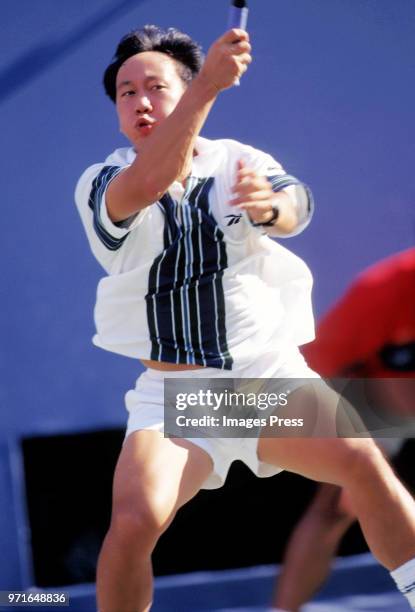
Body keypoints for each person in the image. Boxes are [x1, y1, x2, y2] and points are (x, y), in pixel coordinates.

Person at [74, 25, 415, 612]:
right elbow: (151, 181)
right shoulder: (101, 182)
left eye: (155, 86)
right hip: (180, 399)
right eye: (126, 93)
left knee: (366, 463)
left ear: (183, 92)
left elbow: (295, 205)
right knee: (135, 523)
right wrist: (209, 85)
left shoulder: (241, 160)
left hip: (265, 380)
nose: (140, 102)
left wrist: (272, 207)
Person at [272, 248, 415, 612]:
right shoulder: (387, 286)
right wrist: (360, 458)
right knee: (337, 506)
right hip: (374, 403)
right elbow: (315, 367)